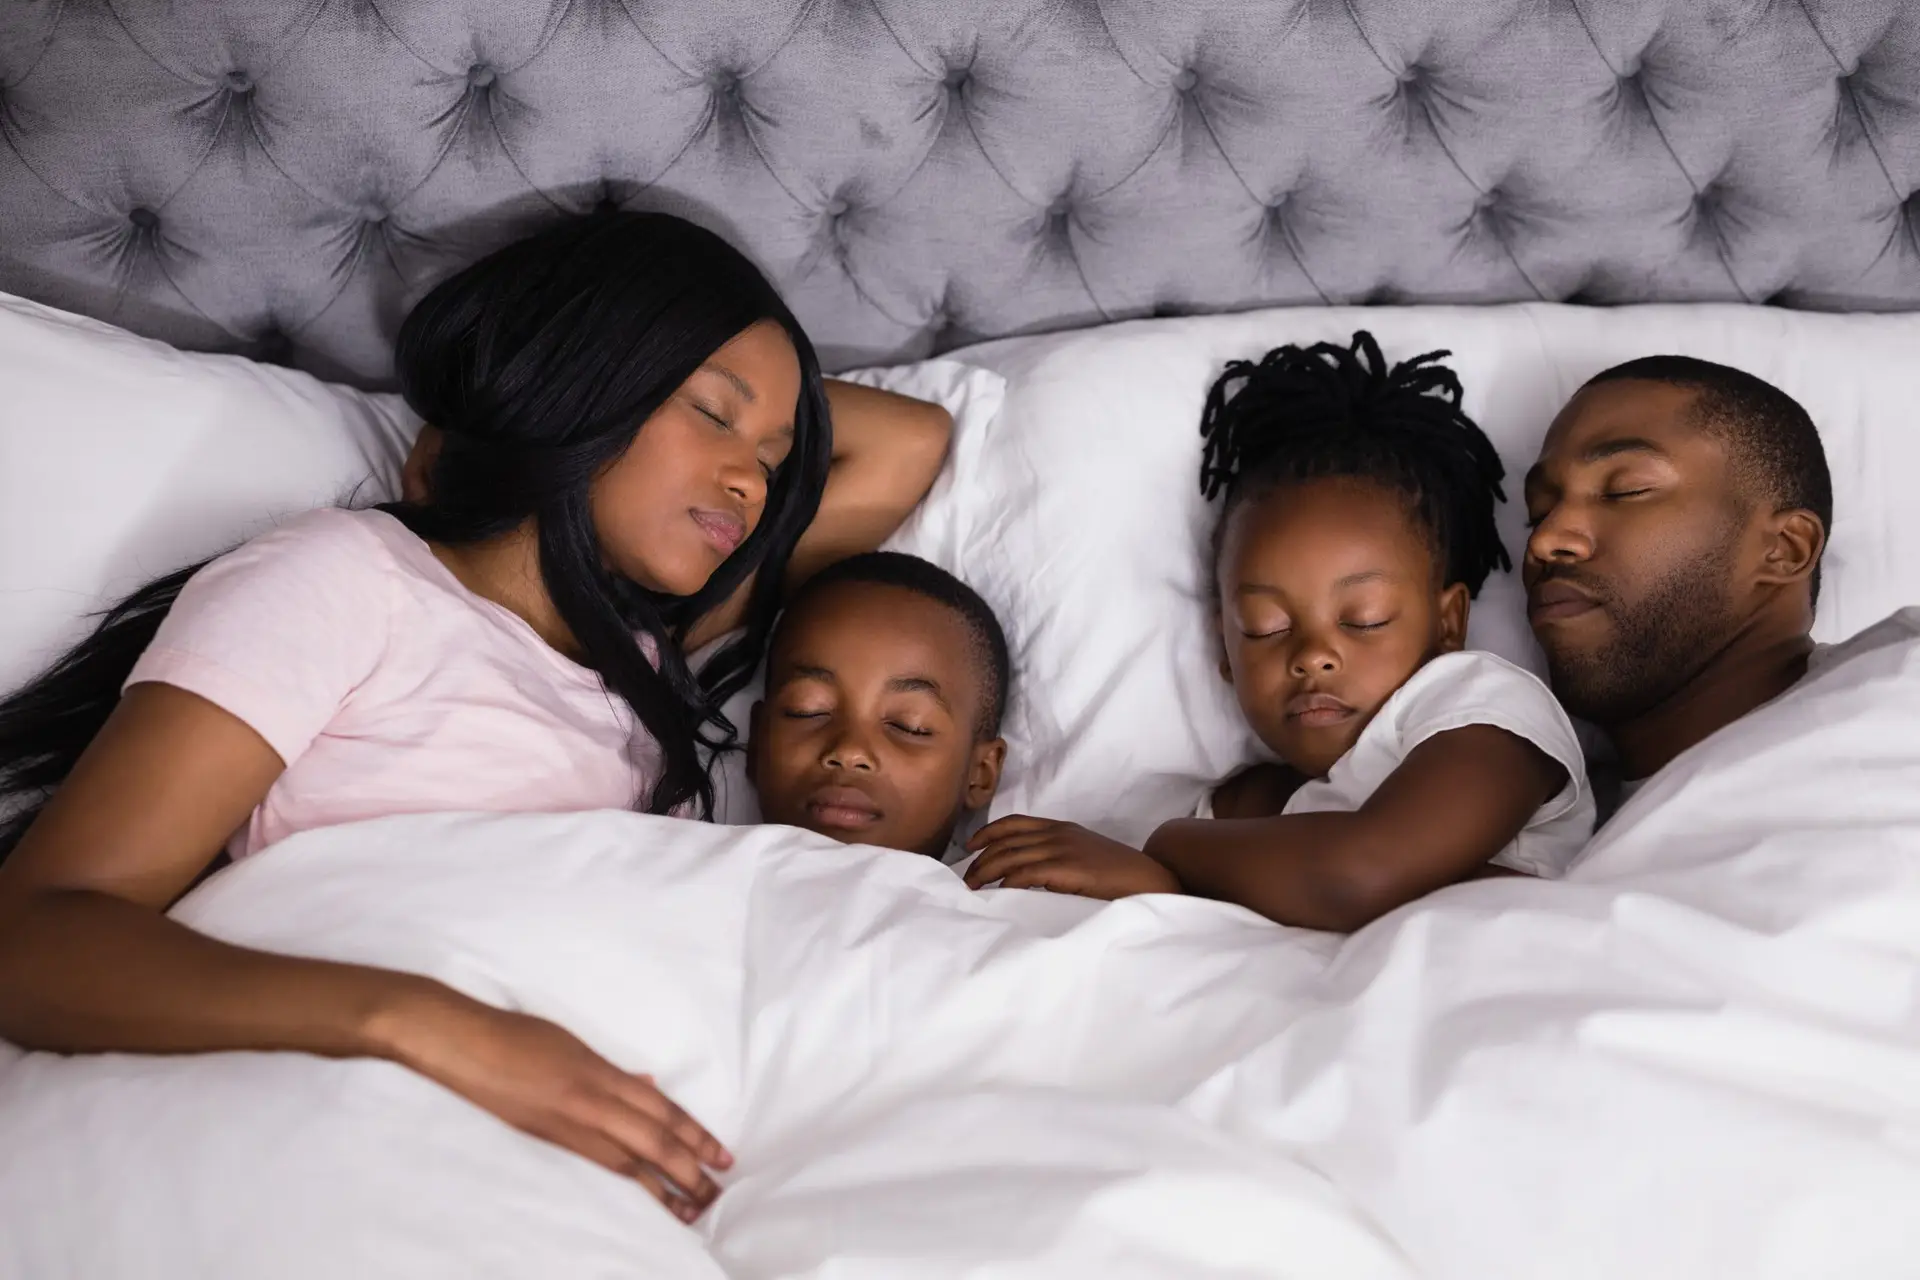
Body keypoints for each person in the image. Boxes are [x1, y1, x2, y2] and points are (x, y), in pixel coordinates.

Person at [0, 212, 952, 1221]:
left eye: (774, 455)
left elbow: (908, 445)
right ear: (578, 382)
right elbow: (34, 932)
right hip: (386, 1127)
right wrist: (446, 1030)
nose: (751, 481)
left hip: (648, 1153)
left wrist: (741, 412)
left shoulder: (651, 669)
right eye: (716, 415)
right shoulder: (350, 579)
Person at [965, 333, 1594, 931]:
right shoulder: (1249, 805)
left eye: (1364, 619)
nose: (1314, 655)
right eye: (1266, 627)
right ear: (1225, 652)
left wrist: (1165, 853)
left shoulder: (1486, 710)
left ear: (1449, 621)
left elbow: (1359, 875)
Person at [1522, 355, 1831, 810]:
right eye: (1538, 511)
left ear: (1784, 549)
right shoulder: (1541, 837)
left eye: (1625, 490)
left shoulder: (1894, 702)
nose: (1546, 540)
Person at [750, 552, 1009, 858]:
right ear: (756, 742)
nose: (849, 751)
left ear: (980, 773)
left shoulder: (1013, 903)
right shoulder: (687, 870)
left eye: (909, 727)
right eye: (808, 711)